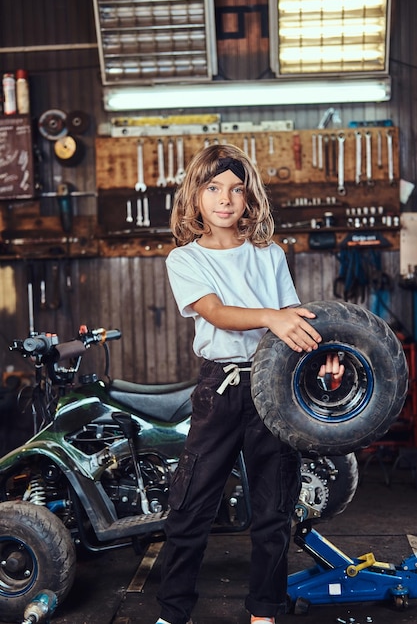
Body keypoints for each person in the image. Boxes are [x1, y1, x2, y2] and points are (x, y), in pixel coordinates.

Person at [155, 143, 344, 624]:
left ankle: (265, 612)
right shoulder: (185, 259)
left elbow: (292, 324)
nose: (225, 199)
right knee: (191, 508)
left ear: (249, 198)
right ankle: (173, 613)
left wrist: (322, 358)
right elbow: (216, 312)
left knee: (273, 511)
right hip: (218, 392)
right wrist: (270, 317)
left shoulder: (269, 254)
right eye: (213, 188)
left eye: (236, 189)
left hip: (274, 390)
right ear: (195, 197)